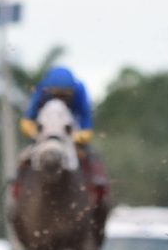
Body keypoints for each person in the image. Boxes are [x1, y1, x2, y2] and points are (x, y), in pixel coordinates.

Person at [18, 66, 108, 202]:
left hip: (72, 134)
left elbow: (86, 122)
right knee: (23, 159)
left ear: (72, 91)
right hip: (44, 135)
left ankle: (98, 191)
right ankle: (16, 192)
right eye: (56, 94)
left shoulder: (80, 90)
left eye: (64, 95)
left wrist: (78, 137)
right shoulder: (41, 90)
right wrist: (35, 133)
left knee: (92, 158)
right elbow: (27, 120)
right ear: (48, 90)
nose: (60, 99)